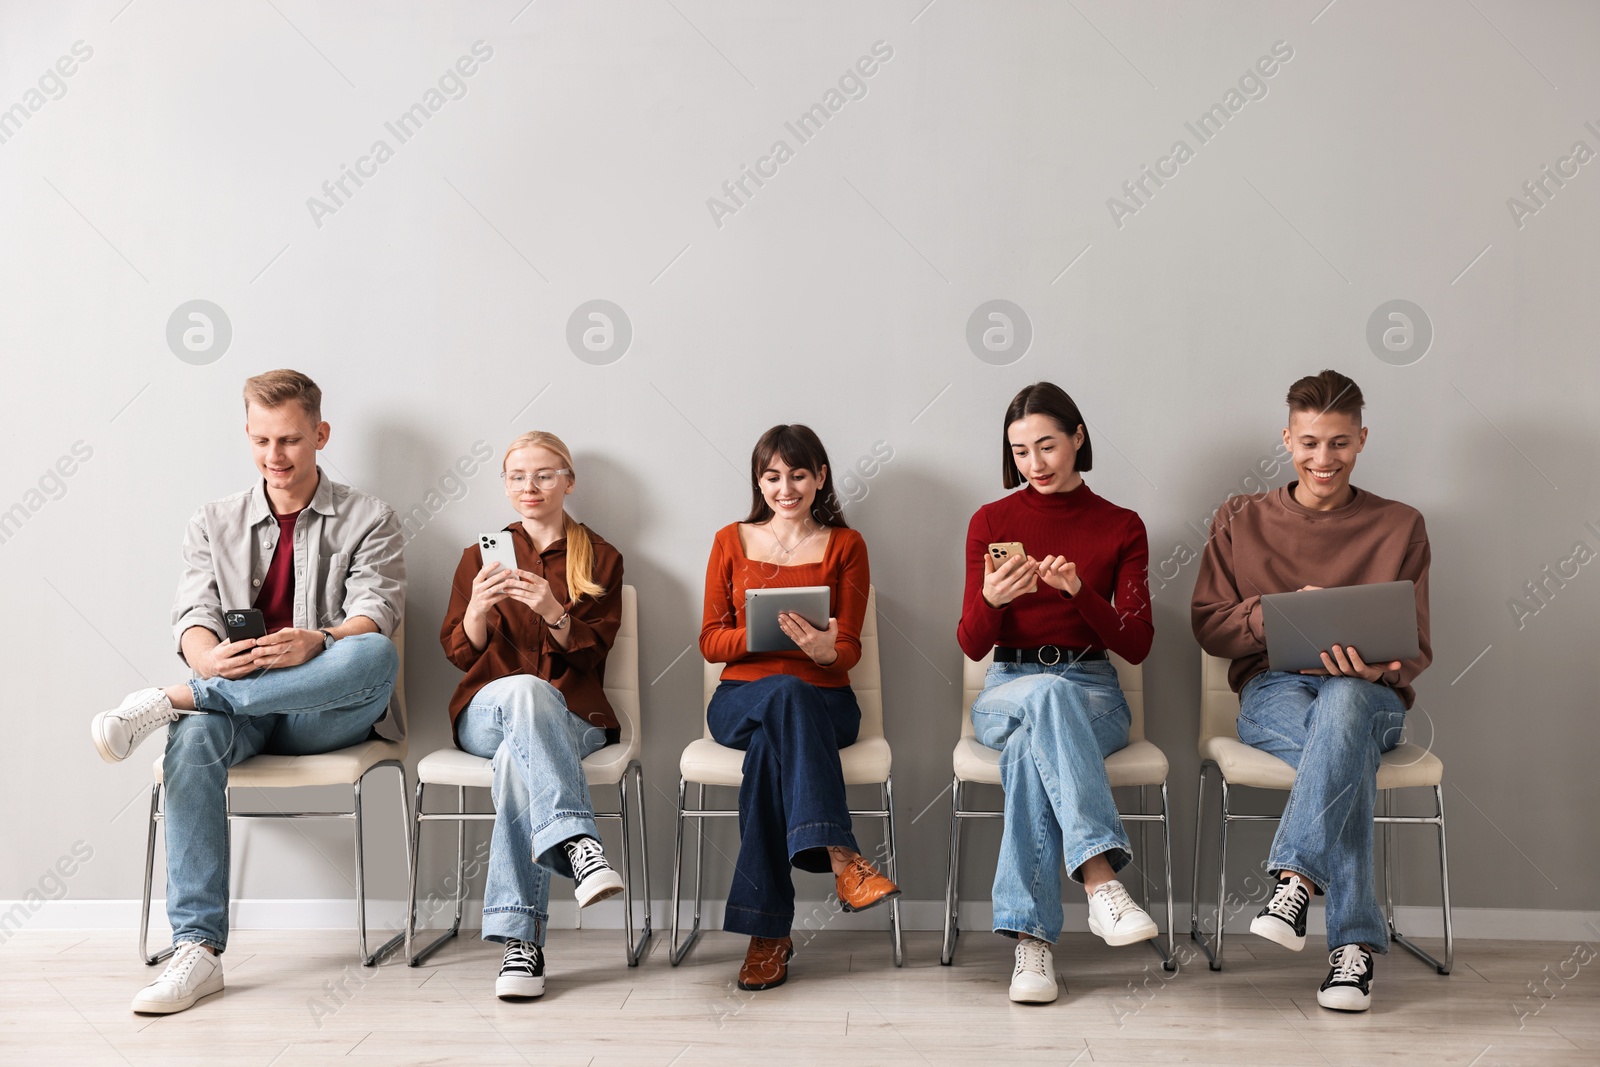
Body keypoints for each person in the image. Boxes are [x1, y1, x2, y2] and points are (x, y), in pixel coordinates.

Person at [90, 370, 405, 1015]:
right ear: (247, 435)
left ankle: (174, 698)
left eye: (289, 440)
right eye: (261, 441)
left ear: (320, 434)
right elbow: (194, 617)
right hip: (246, 709)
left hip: (328, 713)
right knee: (196, 737)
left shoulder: (371, 517)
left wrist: (317, 639)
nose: (275, 457)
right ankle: (197, 952)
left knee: (373, 653)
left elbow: (375, 613)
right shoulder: (213, 521)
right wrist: (211, 662)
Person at [1191, 369, 1432, 1013]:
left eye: (1340, 443)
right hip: (1275, 691)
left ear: (1362, 440)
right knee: (1342, 751)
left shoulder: (1400, 525)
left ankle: (1295, 879)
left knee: (1348, 703)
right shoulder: (1238, 518)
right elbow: (1210, 626)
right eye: (1309, 442)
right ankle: (1352, 951)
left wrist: (1374, 669)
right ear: (1287, 439)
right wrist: (1277, 615)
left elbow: (1416, 647)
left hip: (1372, 698)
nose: (1323, 459)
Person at [958, 381, 1160, 1004]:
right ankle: (1101, 882)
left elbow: (1137, 643)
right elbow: (970, 642)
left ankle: (1034, 946)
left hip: (1094, 692)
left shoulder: (1122, 527)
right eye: (1020, 452)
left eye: (1047, 446)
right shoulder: (990, 522)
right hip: (1006, 688)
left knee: (1027, 754)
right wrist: (992, 600)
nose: (1035, 464)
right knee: (1041, 696)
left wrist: (1081, 594)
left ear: (1078, 439)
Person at [699, 424, 900, 992]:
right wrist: (762, 638)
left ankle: (768, 936)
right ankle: (842, 857)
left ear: (820, 478)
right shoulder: (728, 541)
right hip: (742, 699)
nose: (785, 488)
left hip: (826, 703)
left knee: (773, 745)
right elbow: (711, 641)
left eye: (798, 475)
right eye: (772, 476)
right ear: (759, 481)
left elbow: (850, 651)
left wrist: (824, 650)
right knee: (784, 694)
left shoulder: (847, 545)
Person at [439, 431, 627, 1001]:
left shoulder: (599, 555)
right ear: (505, 484)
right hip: (487, 712)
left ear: (568, 481)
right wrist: (475, 609)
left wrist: (553, 610)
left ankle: (521, 946)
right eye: (518, 476)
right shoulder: (481, 553)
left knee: (517, 767)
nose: (531, 487)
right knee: (521, 691)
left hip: (573, 714)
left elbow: (595, 654)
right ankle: (579, 844)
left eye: (545, 474)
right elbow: (458, 653)